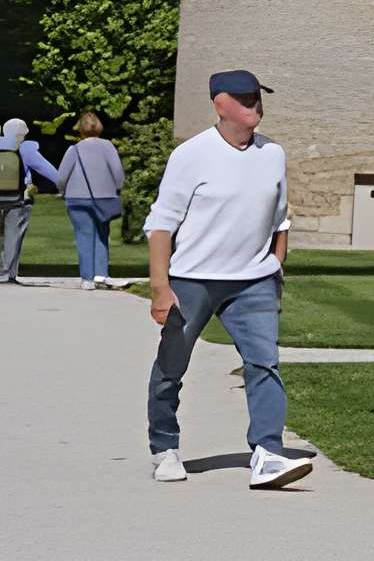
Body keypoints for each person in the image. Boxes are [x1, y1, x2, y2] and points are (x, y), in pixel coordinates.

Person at [143, 70, 311, 489]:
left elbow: (280, 215)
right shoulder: (191, 155)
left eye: (257, 97)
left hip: (254, 281)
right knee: (171, 367)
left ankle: (269, 453)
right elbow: (161, 224)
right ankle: (165, 448)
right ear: (220, 104)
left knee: (264, 364)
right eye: (245, 98)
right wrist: (160, 288)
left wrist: (276, 264)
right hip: (193, 279)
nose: (255, 104)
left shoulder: (273, 153)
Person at [55, 114, 124, 286]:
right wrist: (115, 187)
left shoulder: (74, 149)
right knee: (102, 234)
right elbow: (118, 173)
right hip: (104, 197)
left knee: (84, 236)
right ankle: (101, 274)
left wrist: (62, 190)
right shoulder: (108, 147)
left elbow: (61, 177)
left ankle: (87, 279)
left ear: (80, 129)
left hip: (77, 198)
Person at [0, 117, 52, 284]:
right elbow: (46, 169)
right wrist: (63, 182)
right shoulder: (26, 148)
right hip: (17, 198)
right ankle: (9, 273)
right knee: (13, 236)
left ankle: (4, 271)